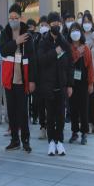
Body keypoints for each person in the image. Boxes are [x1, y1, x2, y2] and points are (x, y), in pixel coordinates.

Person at [0, 3, 36, 153]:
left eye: (16, 17)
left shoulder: (27, 34)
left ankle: (25, 140)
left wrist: (32, 80)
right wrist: (15, 42)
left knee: (22, 111)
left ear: (21, 18)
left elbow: (32, 59)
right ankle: (14, 139)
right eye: (11, 18)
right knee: (12, 111)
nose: (13, 20)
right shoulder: (5, 33)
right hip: (9, 79)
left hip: (23, 79)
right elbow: (2, 50)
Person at [38, 12, 73, 156]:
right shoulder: (43, 42)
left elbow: (70, 65)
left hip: (62, 85)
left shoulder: (64, 43)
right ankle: (51, 141)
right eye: (53, 23)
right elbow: (41, 60)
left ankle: (60, 141)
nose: (55, 26)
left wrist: (70, 84)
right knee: (50, 115)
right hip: (48, 85)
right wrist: (55, 52)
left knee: (60, 115)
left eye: (58, 23)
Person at [67, 22, 94, 145]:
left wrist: (90, 83)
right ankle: (74, 132)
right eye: (72, 30)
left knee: (84, 108)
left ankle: (84, 133)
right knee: (73, 108)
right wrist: (78, 53)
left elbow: (90, 67)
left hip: (83, 83)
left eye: (77, 30)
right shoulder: (68, 48)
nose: (75, 32)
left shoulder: (86, 48)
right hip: (71, 83)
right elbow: (68, 62)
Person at [37, 16, 49, 139]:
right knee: (40, 104)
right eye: (42, 25)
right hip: (39, 78)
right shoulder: (36, 39)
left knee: (50, 104)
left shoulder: (52, 40)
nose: (43, 27)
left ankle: (51, 125)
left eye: (46, 24)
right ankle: (42, 126)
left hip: (50, 78)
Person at [26, 18, 40, 124]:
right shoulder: (25, 37)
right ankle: (28, 115)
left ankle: (35, 115)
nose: (30, 28)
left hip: (36, 68)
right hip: (26, 68)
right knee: (27, 96)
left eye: (32, 26)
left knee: (35, 97)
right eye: (29, 26)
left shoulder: (39, 37)